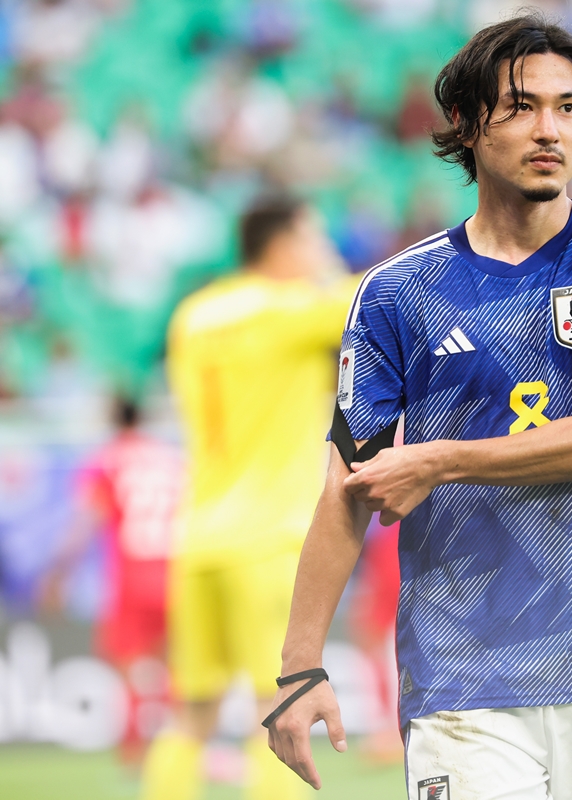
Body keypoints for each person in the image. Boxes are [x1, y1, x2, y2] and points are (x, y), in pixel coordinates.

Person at [265, 13, 572, 799]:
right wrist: (300, 666)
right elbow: (348, 483)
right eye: (521, 106)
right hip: (460, 673)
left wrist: (437, 461)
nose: (549, 129)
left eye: (568, 108)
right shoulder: (396, 293)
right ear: (466, 123)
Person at [139, 195, 356, 800]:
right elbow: (376, 296)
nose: (322, 251)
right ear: (284, 244)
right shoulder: (288, 309)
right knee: (279, 705)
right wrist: (332, 269)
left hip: (198, 536)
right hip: (266, 537)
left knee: (192, 715)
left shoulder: (195, 314)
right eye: (315, 238)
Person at [41, 396, 182, 765]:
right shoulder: (170, 458)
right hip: (177, 572)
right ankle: (181, 745)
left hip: (133, 577)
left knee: (126, 664)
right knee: (171, 663)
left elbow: (86, 520)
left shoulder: (107, 459)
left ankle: (135, 753)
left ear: (111, 420)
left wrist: (58, 574)